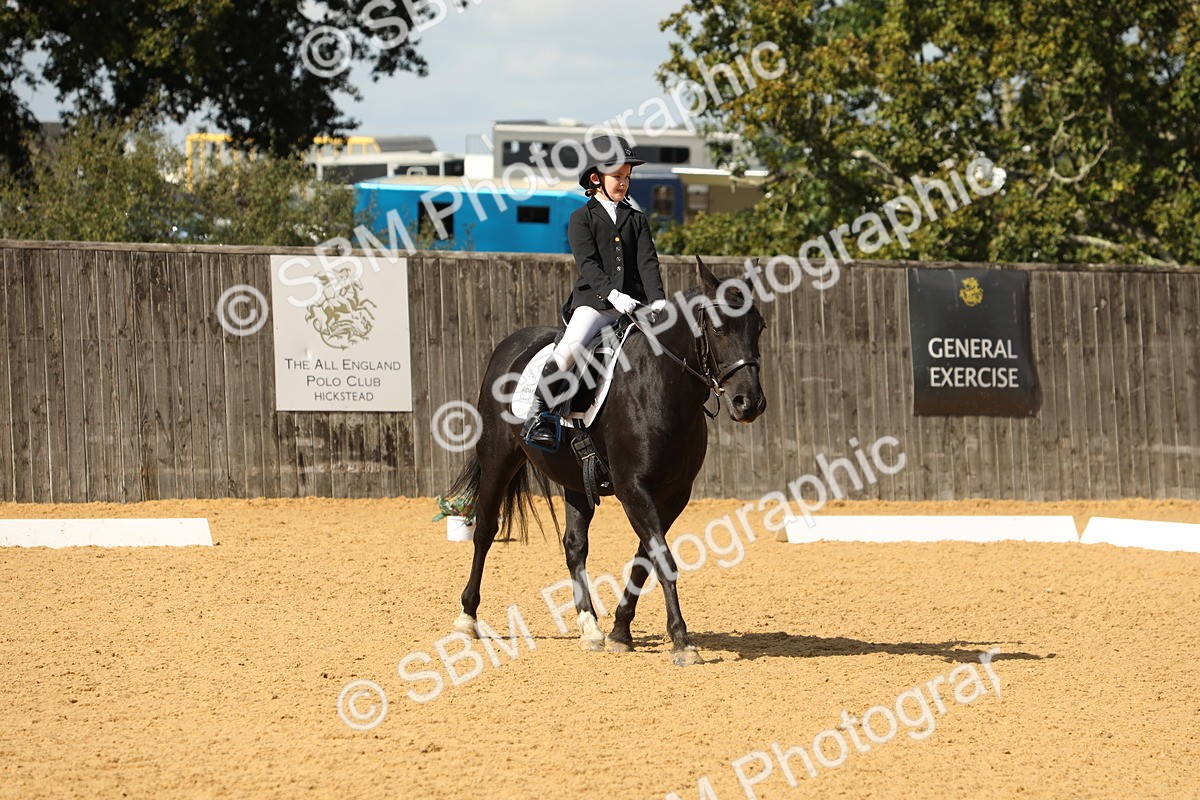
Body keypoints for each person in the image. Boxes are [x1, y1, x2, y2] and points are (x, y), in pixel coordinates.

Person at [521, 135, 668, 452]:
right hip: (596, 305)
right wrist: (613, 295)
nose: (623, 183)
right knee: (569, 348)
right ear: (595, 179)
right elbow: (587, 264)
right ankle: (538, 415)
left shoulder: (636, 219)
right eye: (617, 176)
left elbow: (647, 262)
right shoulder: (581, 218)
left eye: (627, 177)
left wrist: (657, 299)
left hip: (634, 305)